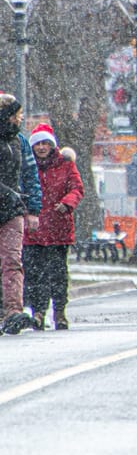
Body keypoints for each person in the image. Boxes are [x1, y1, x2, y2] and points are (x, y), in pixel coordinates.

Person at [22, 124, 83, 331]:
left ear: (52, 145)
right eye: (37, 144)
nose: (41, 147)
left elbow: (76, 188)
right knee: (34, 274)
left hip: (59, 227)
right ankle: (38, 311)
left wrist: (67, 203)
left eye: (45, 143)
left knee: (58, 273)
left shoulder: (66, 165)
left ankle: (59, 311)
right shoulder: (27, 165)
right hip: (34, 228)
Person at [0, 94, 41, 335]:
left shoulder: (19, 142)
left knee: (12, 261)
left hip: (12, 210)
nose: (21, 119)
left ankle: (13, 311)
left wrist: (32, 207)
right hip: (9, 200)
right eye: (18, 115)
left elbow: (29, 173)